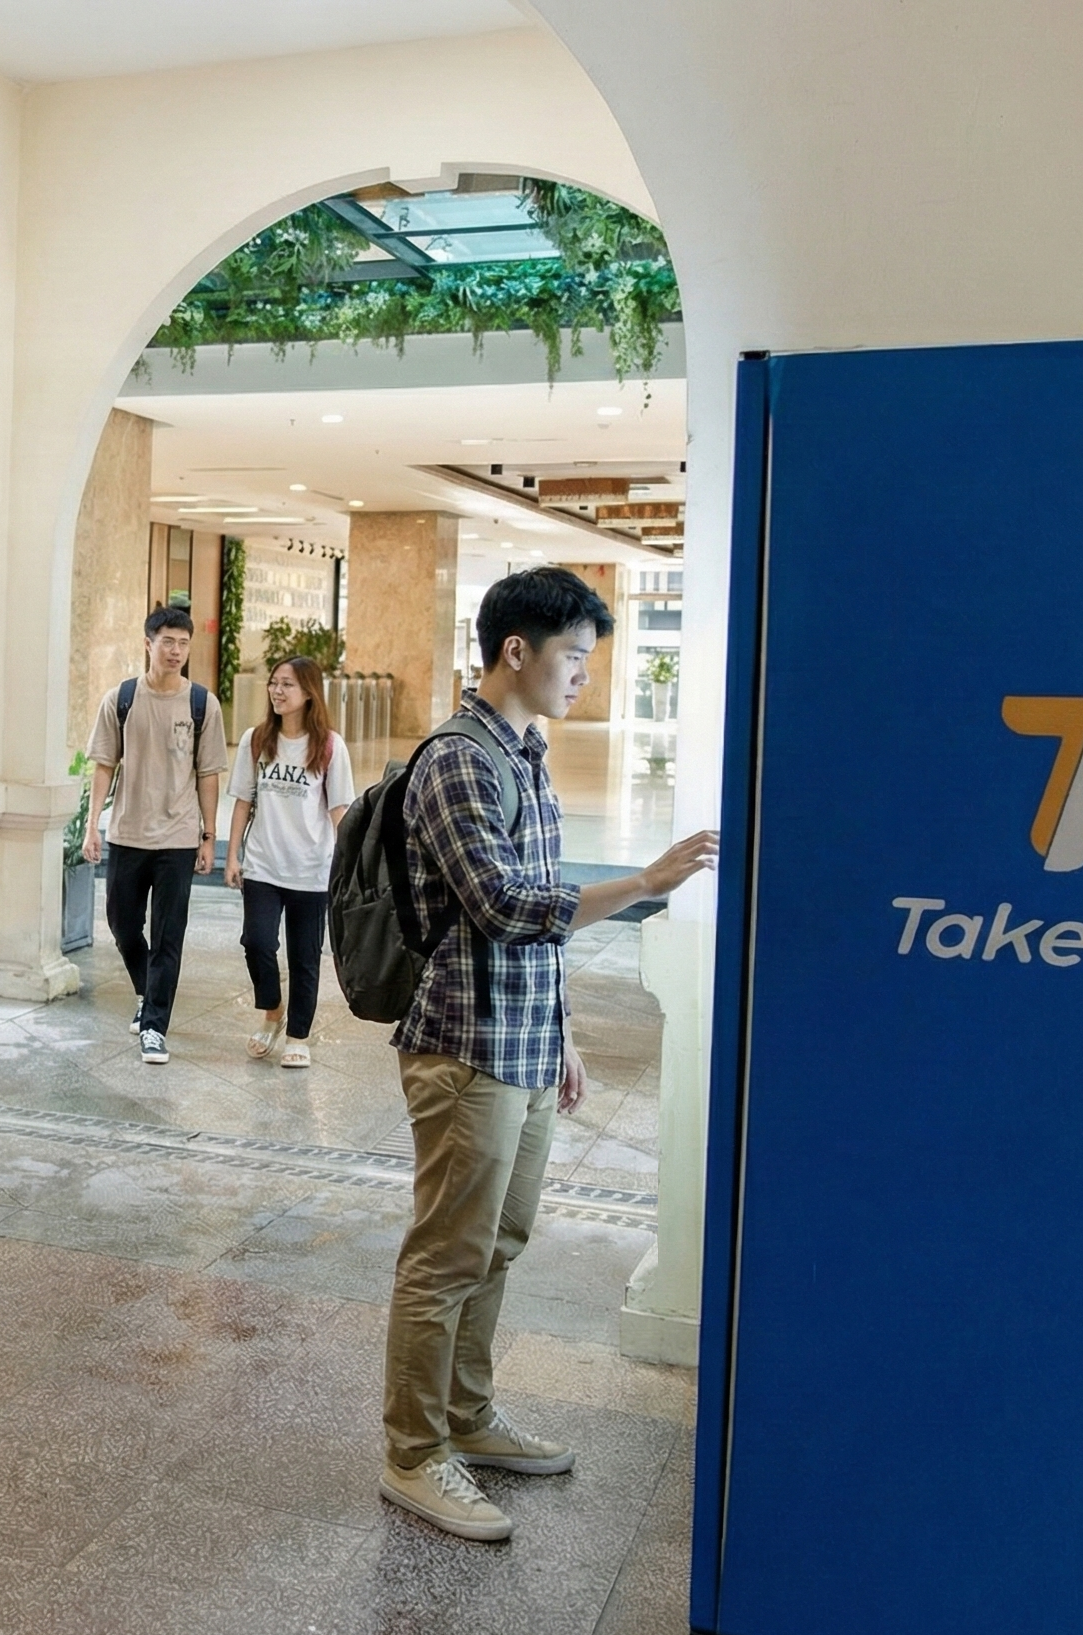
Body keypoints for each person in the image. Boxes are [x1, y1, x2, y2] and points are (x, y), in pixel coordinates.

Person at [379, 566, 717, 1543]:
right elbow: (501, 903)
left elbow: (539, 918)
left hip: (523, 1039)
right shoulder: (456, 758)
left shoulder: (523, 752)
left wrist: (562, 1032)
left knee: (499, 1242)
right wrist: (643, 881)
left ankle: (466, 1417)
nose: (581, 675)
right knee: (444, 1255)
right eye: (571, 656)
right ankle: (411, 1450)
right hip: (465, 1043)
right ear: (515, 651)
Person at [82, 605, 227, 1064]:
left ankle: (154, 1026)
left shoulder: (202, 704)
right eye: (168, 642)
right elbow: (104, 764)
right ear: (148, 644)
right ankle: (148, 991)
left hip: (179, 837)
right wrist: (92, 825)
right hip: (127, 831)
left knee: (168, 934)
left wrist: (209, 835)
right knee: (123, 925)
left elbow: (208, 773)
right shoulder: (121, 698)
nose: (176, 651)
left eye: (184, 643)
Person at [223, 656, 355, 1069]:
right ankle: (272, 1011)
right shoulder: (256, 739)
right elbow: (244, 799)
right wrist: (232, 854)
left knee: (304, 958)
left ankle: (298, 1034)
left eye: (288, 685)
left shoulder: (330, 745)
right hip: (263, 863)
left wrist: (348, 869)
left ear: (309, 694)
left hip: (312, 870)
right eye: (274, 683)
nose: (278, 691)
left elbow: (340, 811)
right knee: (256, 943)